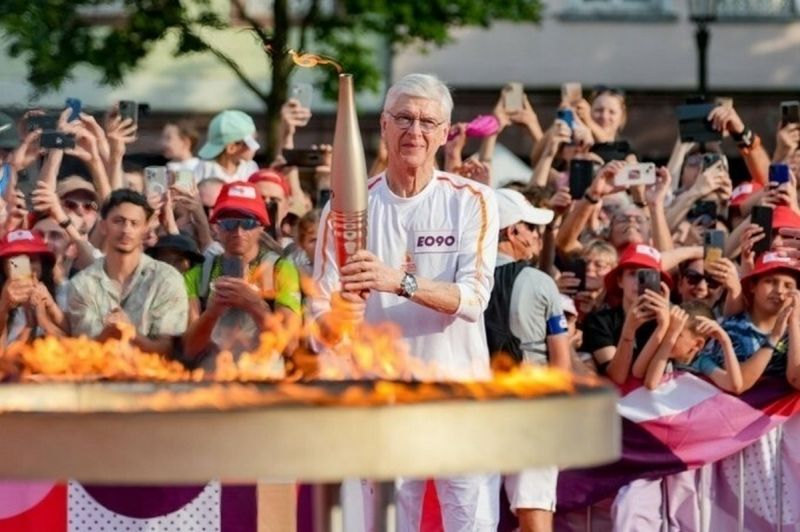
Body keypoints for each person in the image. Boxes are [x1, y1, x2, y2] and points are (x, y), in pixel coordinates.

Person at [310, 73, 499, 531]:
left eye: (427, 122)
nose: (415, 131)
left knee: (470, 523)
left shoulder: (472, 200)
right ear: (384, 126)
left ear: (444, 134)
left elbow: (474, 297)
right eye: (404, 119)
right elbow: (319, 321)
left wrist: (399, 281)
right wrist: (339, 318)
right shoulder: (345, 209)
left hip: (459, 398)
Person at [483, 188, 568, 532]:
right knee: (533, 508)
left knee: (473, 512)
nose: (537, 236)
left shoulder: (460, 280)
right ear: (511, 231)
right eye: (531, 227)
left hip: (475, 407)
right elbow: (560, 364)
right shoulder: (542, 283)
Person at [182, 182, 298, 370]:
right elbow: (189, 349)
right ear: (216, 227)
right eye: (229, 222)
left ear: (261, 226)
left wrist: (255, 305)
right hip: (211, 383)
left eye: (248, 223)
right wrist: (212, 313)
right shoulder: (199, 273)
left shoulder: (281, 270)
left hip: (264, 383)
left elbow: (290, 345)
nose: (238, 232)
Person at [65, 189, 188, 357]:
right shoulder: (81, 284)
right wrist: (107, 334)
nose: (126, 230)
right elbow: (83, 352)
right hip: (97, 378)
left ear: (145, 229)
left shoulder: (167, 279)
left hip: (154, 379)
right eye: (118, 221)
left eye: (134, 223)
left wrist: (130, 333)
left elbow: (168, 351)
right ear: (103, 226)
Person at [692, 252, 800, 393]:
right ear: (752, 286)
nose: (779, 291)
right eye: (770, 281)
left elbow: (796, 380)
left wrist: (794, 325)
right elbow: (739, 382)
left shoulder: (795, 330)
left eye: (788, 286)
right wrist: (773, 338)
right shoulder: (732, 327)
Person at [581, 243, 672, 385]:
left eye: (647, 275)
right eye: (632, 274)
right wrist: (629, 331)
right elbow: (617, 377)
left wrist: (665, 325)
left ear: (659, 284)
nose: (638, 281)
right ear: (619, 280)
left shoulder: (673, 319)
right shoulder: (599, 321)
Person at [644, 302, 743, 392]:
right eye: (668, 331)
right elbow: (651, 383)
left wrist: (726, 342)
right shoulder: (664, 357)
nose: (668, 336)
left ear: (698, 344)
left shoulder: (701, 363)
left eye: (677, 334)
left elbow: (734, 386)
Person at [0, 229, 65, 344]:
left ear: (42, 263)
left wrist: (45, 315)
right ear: (3, 266)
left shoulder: (62, 291)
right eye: (16, 261)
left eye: (32, 259)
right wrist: (3, 306)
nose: (25, 267)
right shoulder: (4, 298)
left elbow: (74, 344)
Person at [194, 110, 259, 183]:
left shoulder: (250, 168)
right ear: (231, 148)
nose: (255, 148)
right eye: (252, 142)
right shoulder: (205, 167)